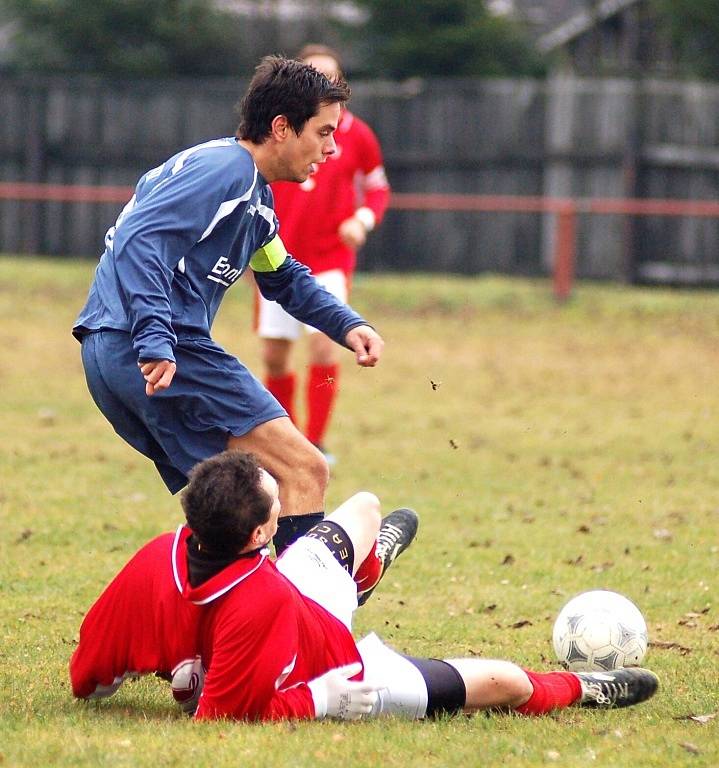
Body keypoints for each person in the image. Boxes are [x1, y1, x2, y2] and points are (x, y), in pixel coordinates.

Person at [70, 452, 659, 722]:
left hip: (295, 599)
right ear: (257, 533)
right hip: (333, 666)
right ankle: (586, 687)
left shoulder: (161, 554)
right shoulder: (258, 602)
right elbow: (225, 715)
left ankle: (364, 571)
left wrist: (136, 671)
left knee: (363, 507)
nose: (283, 505)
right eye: (278, 507)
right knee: (502, 681)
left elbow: (85, 680)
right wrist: (322, 701)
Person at [72, 55, 384, 555]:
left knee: (237, 509)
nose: (332, 148)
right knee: (303, 469)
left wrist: (347, 325)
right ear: (282, 127)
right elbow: (138, 239)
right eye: (324, 132)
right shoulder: (228, 171)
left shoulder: (255, 201)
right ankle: (309, 616)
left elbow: (283, 276)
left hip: (116, 351)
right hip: (159, 349)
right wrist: (155, 338)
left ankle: (231, 620)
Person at [256, 44, 391, 461]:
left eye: (331, 78)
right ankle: (290, 438)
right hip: (277, 257)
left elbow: (378, 188)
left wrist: (362, 221)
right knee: (275, 358)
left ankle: (315, 442)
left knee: (324, 345)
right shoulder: (278, 131)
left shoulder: (358, 135)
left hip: (330, 258)